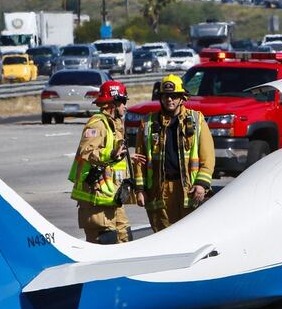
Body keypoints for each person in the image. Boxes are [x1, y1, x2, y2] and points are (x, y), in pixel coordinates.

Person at [134, 74, 215, 232]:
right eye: (165, 96)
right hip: (158, 191)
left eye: (174, 96)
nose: (169, 100)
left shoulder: (197, 120)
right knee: (163, 235)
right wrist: (140, 190)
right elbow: (140, 160)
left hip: (188, 190)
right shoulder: (148, 123)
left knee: (190, 234)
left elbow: (208, 157)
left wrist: (201, 184)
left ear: (182, 98)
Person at [69, 80, 133, 243]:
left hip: (111, 197)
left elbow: (111, 156)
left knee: (125, 238)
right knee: (105, 242)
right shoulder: (98, 124)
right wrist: (111, 153)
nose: (125, 107)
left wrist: (125, 157)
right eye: (123, 102)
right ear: (114, 102)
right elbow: (87, 151)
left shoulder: (114, 125)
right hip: (95, 199)